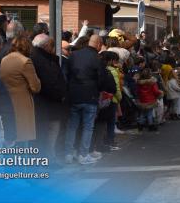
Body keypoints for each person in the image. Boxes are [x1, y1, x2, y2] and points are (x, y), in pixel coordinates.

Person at [65, 35, 116, 165]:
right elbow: (102, 79)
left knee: (72, 126)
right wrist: (97, 90)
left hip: (74, 95)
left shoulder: (74, 55)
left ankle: (69, 153)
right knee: (88, 127)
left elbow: (67, 74)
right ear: (98, 44)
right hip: (90, 96)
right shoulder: (97, 59)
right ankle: (83, 154)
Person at [30, 34, 67, 163]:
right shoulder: (40, 60)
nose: (53, 49)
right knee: (47, 133)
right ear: (46, 46)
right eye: (52, 46)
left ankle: (48, 158)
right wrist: (60, 94)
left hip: (47, 104)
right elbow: (48, 82)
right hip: (47, 104)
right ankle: (47, 159)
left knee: (48, 132)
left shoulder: (41, 57)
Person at [0, 37, 41, 145]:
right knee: (23, 139)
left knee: (11, 139)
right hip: (23, 103)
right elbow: (35, 87)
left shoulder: (4, 59)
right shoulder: (25, 61)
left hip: (8, 101)